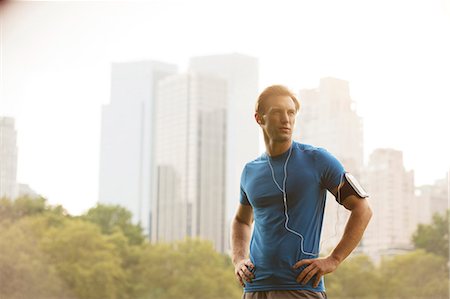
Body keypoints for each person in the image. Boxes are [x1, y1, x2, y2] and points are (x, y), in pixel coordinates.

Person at [231, 85, 372, 299]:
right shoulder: (250, 171)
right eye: (278, 112)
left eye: (290, 112)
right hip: (255, 288)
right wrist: (239, 259)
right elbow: (241, 221)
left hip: (301, 287)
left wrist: (333, 259)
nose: (286, 119)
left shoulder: (318, 160)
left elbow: (363, 209)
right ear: (259, 118)